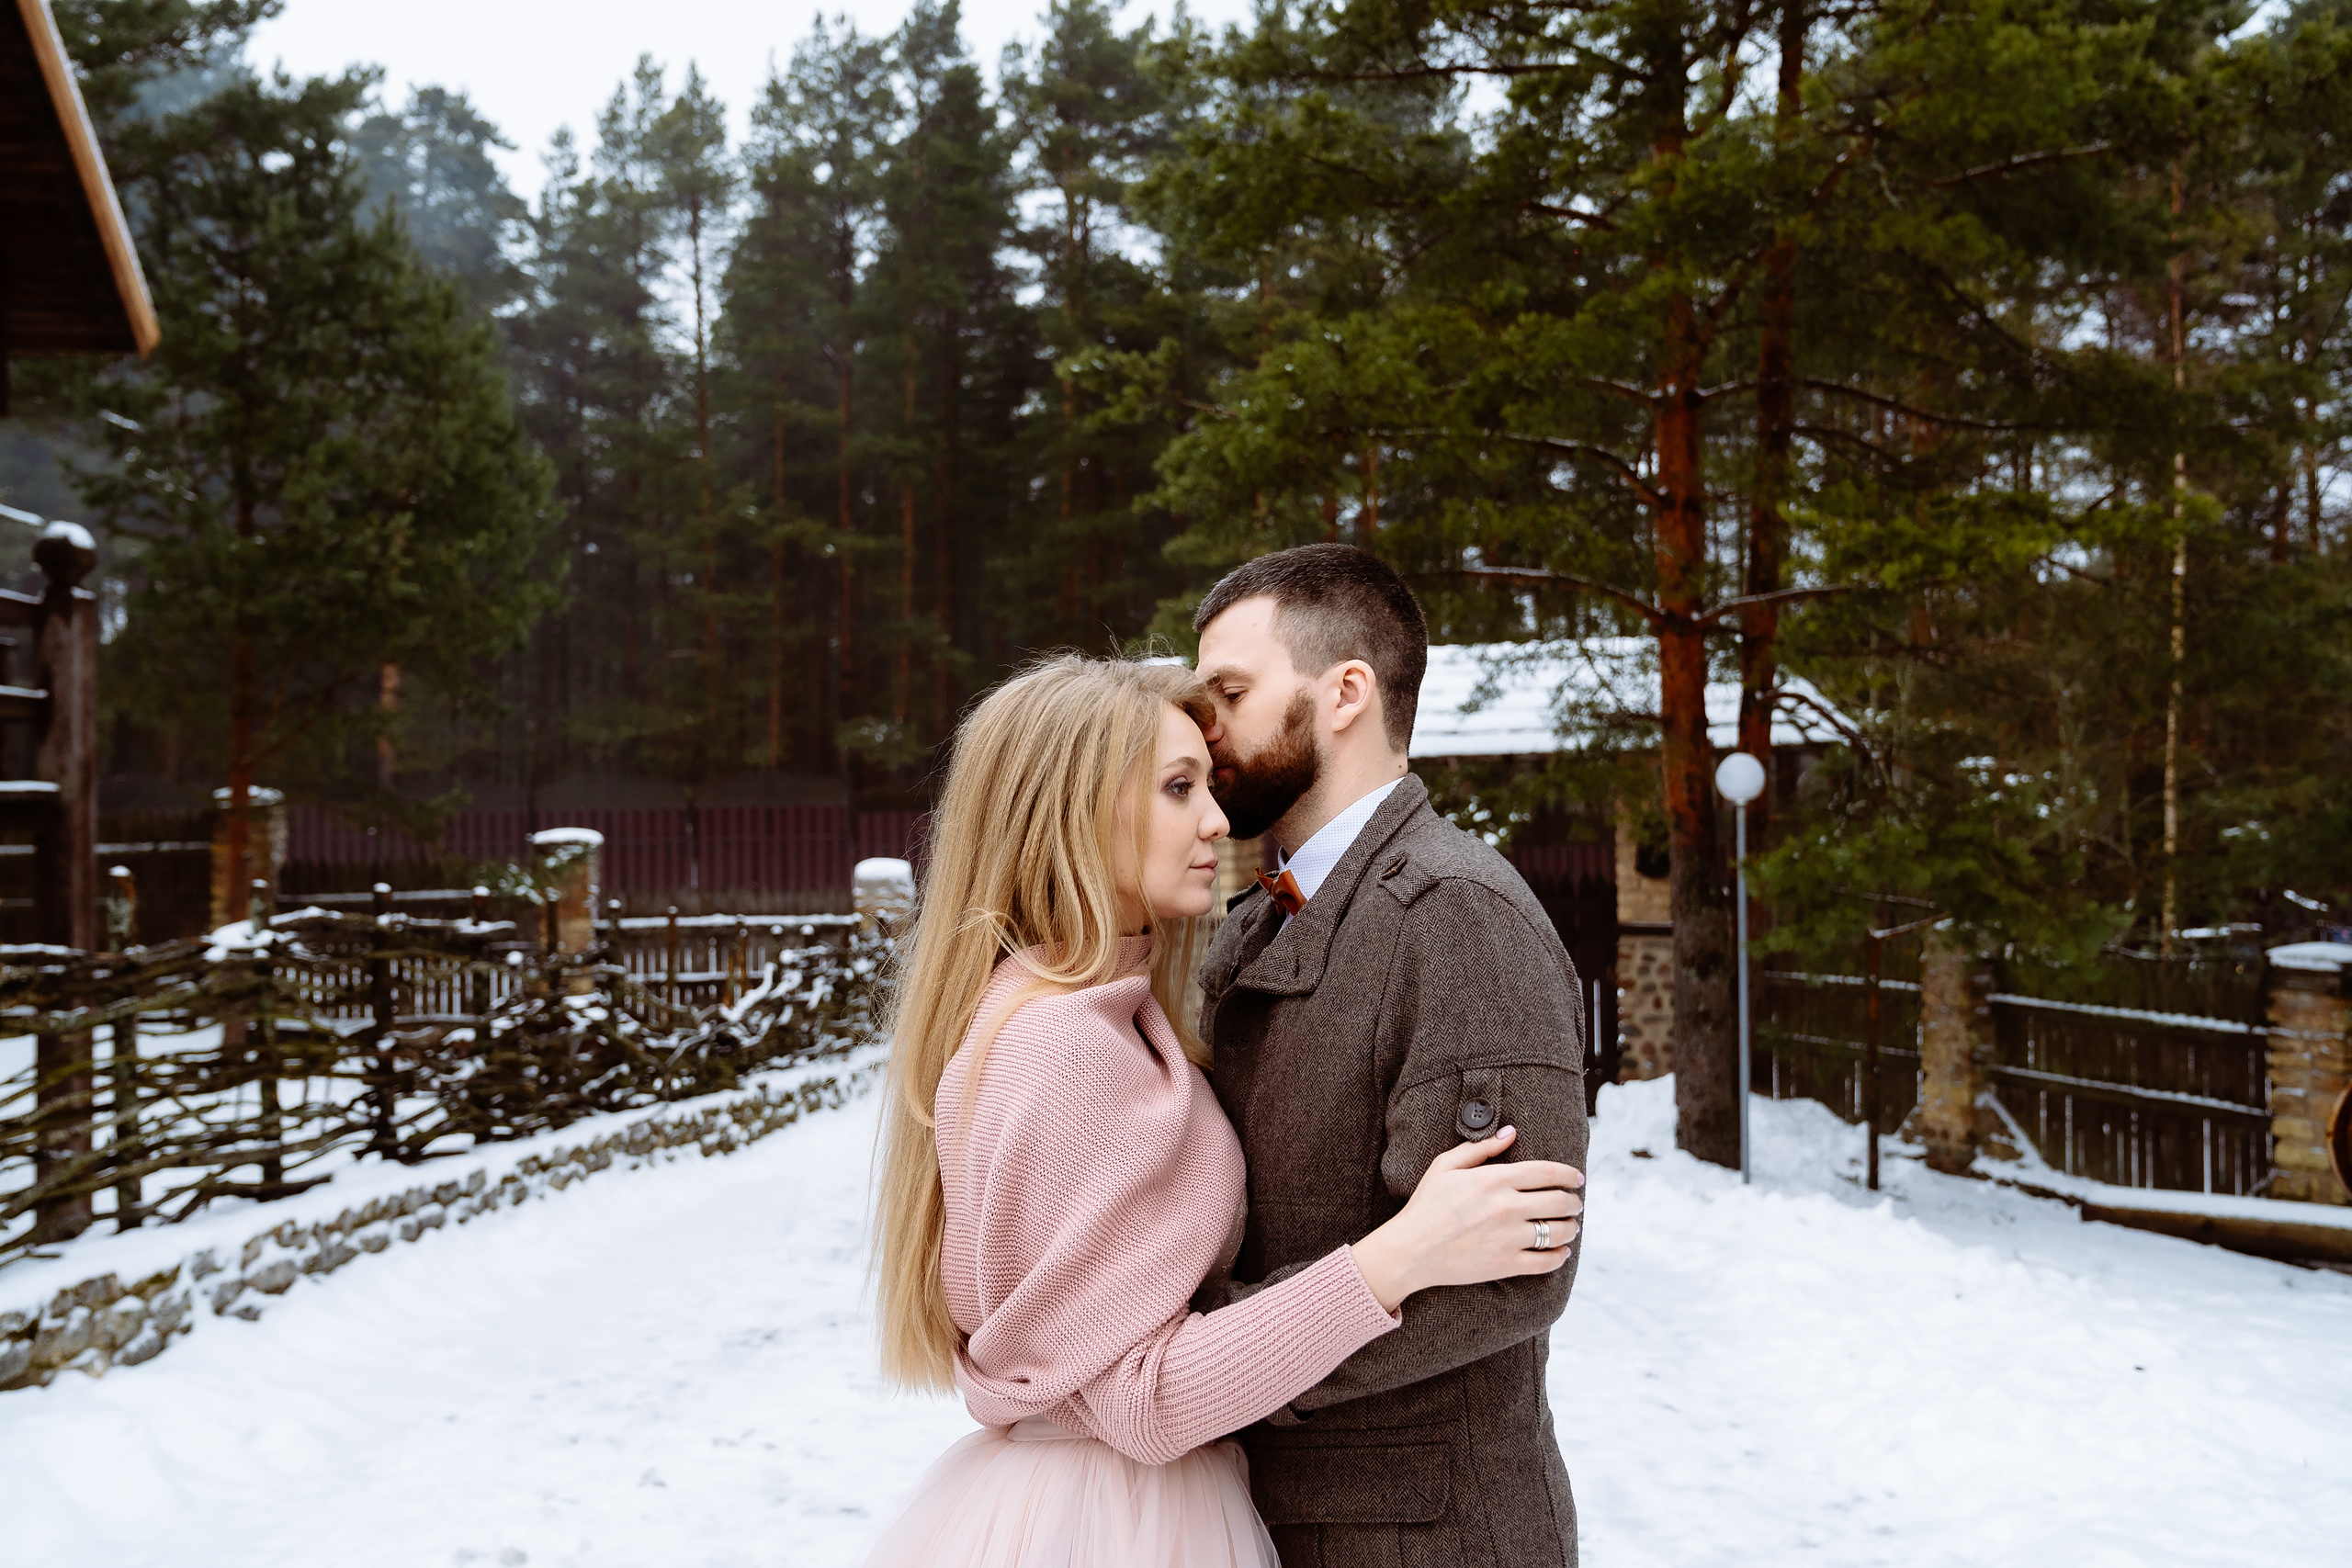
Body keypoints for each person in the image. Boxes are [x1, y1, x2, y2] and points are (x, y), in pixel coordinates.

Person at [864, 654, 1586, 1567]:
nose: (1215, 820)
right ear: (1069, 810)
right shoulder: (1063, 1047)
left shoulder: (1090, 1014)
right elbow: (1142, 1399)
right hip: (1115, 1521)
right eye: (1176, 788)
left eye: (1204, 783)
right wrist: (1396, 1258)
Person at [1191, 543, 1591, 1567]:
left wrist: (1207, 1353)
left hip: (1418, 1535)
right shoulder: (1252, 922)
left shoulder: (1456, 917)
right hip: (1268, 1511)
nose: (1206, 730)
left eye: (1230, 693)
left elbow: (1514, 1273)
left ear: (1346, 693)